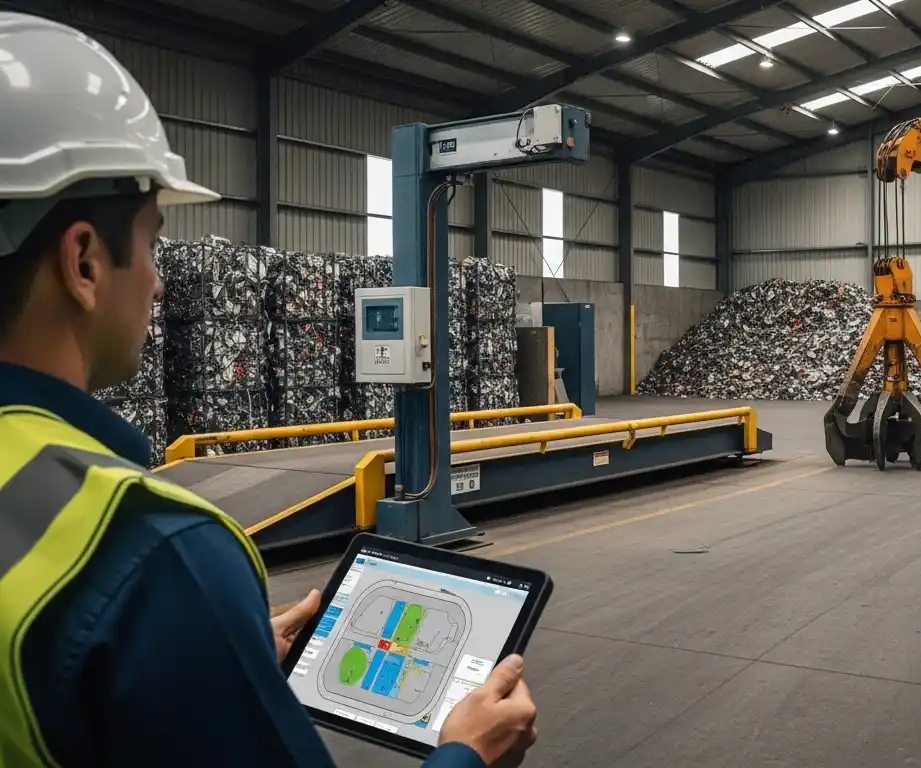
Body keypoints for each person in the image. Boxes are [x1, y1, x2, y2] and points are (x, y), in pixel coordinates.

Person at [0, 12, 537, 767]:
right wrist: (466, 755)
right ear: (84, 261)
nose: (156, 284)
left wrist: (219, 656)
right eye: (153, 241)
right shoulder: (149, 554)